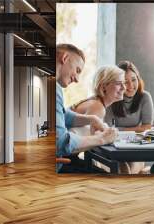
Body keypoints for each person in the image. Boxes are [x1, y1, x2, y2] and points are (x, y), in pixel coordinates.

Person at [56, 44, 117, 173]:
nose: (77, 79)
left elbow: (63, 114)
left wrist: (91, 119)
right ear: (65, 58)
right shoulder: (54, 88)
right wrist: (102, 138)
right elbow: (62, 143)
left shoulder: (55, 87)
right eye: (77, 70)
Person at [71, 65, 145, 174]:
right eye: (119, 83)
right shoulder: (97, 107)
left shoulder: (95, 102)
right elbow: (93, 147)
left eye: (123, 83)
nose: (124, 88)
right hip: (65, 160)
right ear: (104, 86)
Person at [104, 60, 154, 132]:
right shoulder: (111, 98)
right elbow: (108, 128)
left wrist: (118, 129)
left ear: (138, 79)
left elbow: (148, 127)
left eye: (133, 80)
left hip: (137, 140)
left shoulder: (145, 97)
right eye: (125, 82)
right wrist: (138, 128)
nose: (131, 85)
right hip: (116, 139)